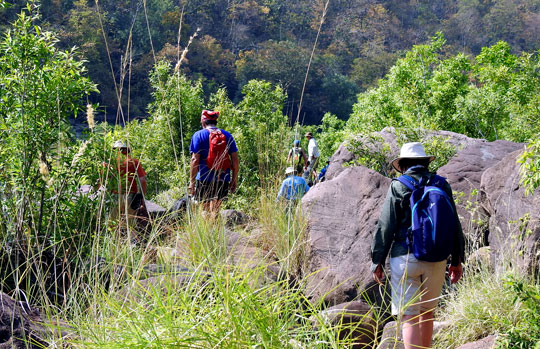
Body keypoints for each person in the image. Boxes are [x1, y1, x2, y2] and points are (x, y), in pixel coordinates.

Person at [371, 142, 465, 349]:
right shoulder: (441, 184)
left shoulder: (399, 185)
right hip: (436, 258)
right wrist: (456, 261)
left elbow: (385, 226)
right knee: (427, 313)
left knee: (409, 316)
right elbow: (454, 225)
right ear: (424, 162)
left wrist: (377, 261)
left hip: (404, 258)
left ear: (403, 164)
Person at [189, 110, 239, 214]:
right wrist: (234, 179)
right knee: (216, 210)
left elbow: (195, 160)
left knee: (204, 210)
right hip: (223, 178)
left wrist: (192, 182)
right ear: (216, 121)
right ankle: (215, 228)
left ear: (203, 122)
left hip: (204, 179)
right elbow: (235, 159)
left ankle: (206, 230)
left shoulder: (198, 135)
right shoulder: (227, 135)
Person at [107, 140, 149, 231]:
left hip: (114, 197)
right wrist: (142, 196)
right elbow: (143, 180)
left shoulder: (109, 163)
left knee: (112, 225)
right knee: (131, 225)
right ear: (127, 150)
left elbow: (104, 180)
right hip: (130, 196)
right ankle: (132, 244)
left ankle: (113, 243)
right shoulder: (134, 161)